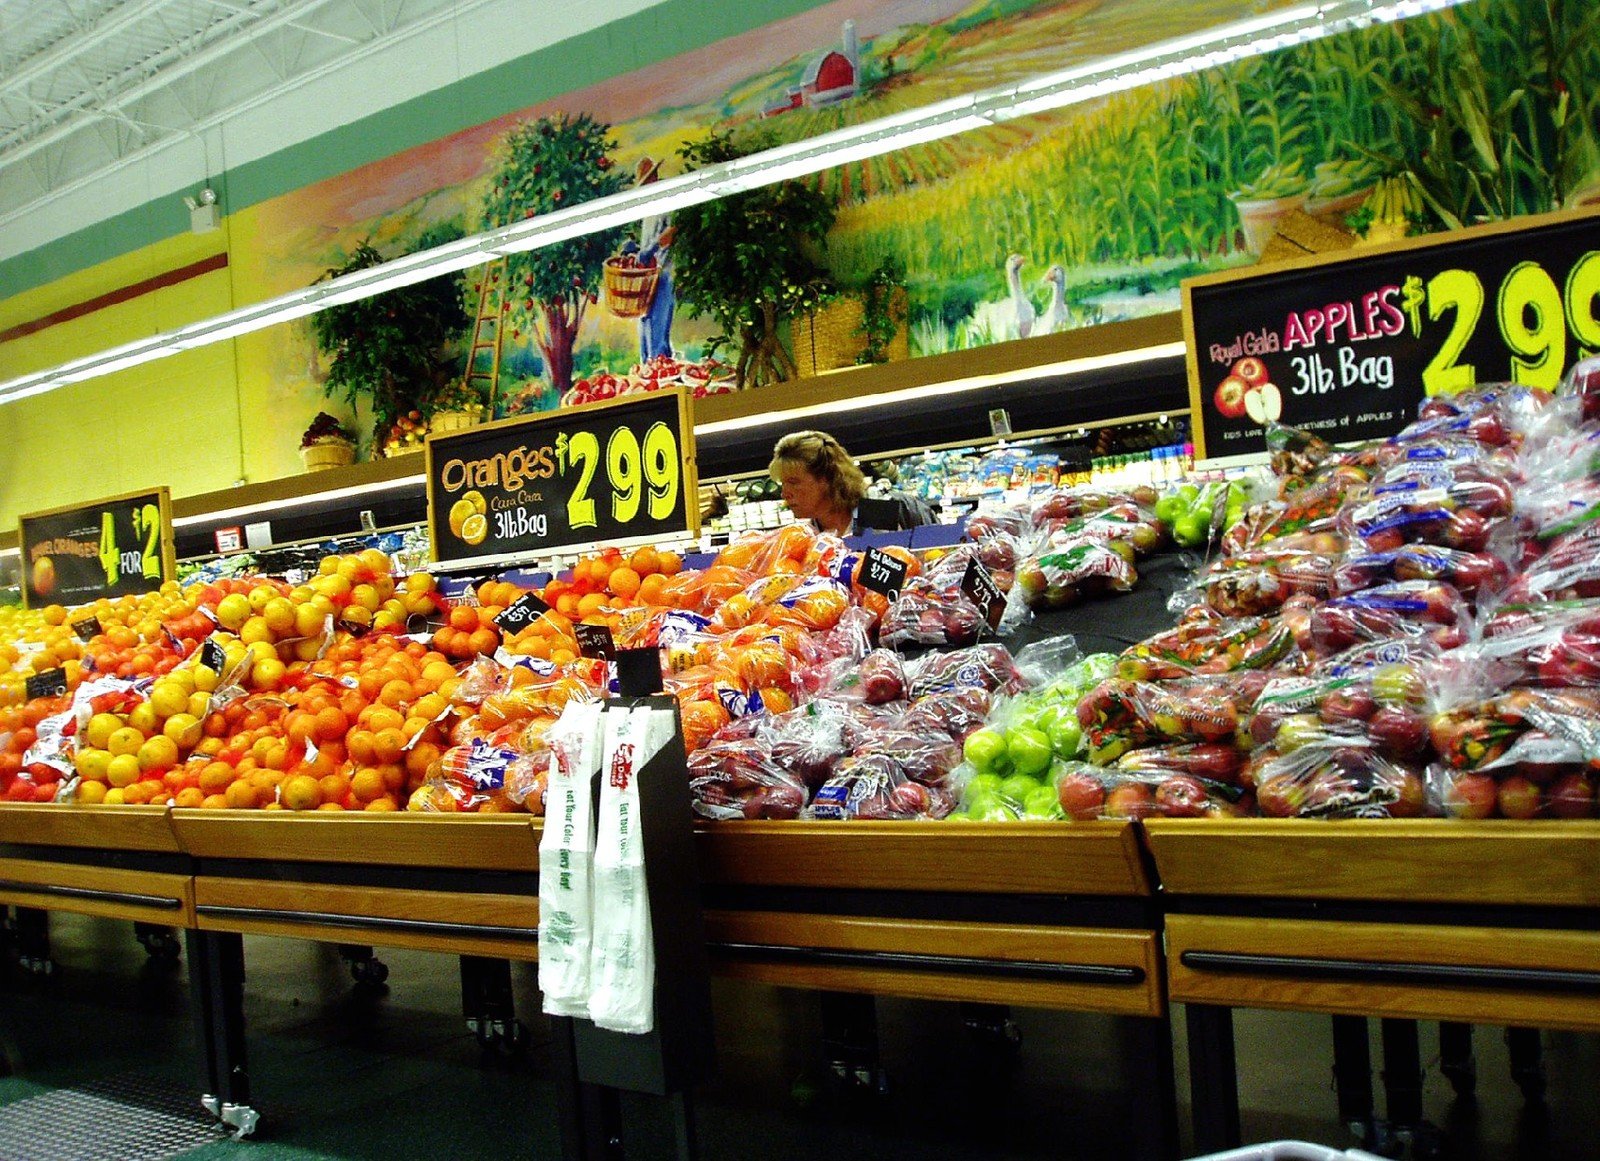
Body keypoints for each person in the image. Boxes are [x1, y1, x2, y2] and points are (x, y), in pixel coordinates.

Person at [769, 430, 934, 535]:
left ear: (827, 477)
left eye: (793, 482)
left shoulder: (880, 511)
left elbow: (941, 560)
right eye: (782, 484)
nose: (785, 493)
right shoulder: (806, 540)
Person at [634, 156, 676, 363]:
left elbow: (671, 231)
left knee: (658, 329)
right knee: (644, 323)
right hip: (648, 276)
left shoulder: (665, 201)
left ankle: (661, 373)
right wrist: (637, 248)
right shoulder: (647, 209)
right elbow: (647, 240)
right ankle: (648, 369)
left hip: (664, 273)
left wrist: (652, 248)